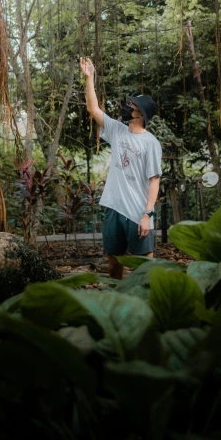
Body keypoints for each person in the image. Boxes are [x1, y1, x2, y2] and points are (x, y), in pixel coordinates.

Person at [79, 57, 162, 279]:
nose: (127, 108)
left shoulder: (151, 143)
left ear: (141, 115)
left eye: (132, 106)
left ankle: (147, 304)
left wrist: (147, 215)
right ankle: (117, 301)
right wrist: (90, 78)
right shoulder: (117, 130)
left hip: (138, 213)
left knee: (144, 266)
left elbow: (154, 180)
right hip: (114, 208)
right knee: (113, 263)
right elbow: (93, 108)